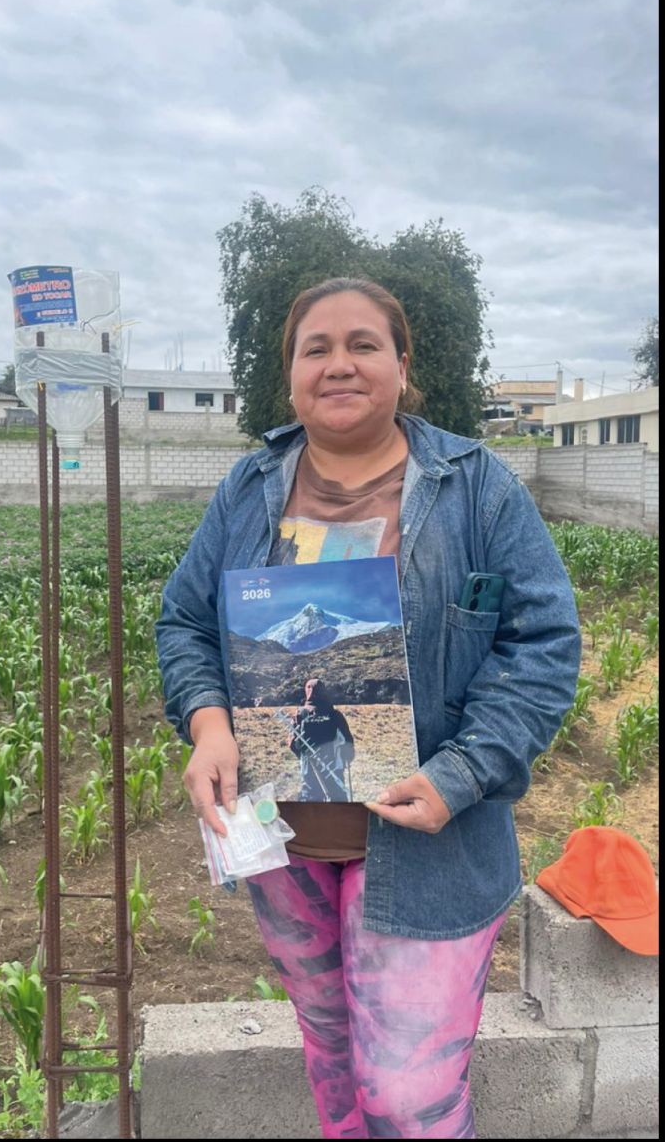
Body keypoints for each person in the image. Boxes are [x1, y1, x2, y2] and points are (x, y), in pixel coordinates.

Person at [155, 276, 580, 1137]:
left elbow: (544, 645)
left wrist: (462, 771)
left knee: (408, 1094)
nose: (338, 363)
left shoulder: (476, 488)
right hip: (283, 838)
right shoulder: (249, 489)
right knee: (331, 1050)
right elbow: (185, 620)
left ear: (401, 363)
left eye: (362, 344)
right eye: (317, 347)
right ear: (291, 373)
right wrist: (206, 722)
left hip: (432, 842)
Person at [285, 675, 355, 801]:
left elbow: (292, 743)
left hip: (309, 769)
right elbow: (348, 741)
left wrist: (302, 756)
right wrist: (347, 759)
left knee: (311, 800)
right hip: (334, 768)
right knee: (338, 800)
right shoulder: (335, 715)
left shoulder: (299, 715)